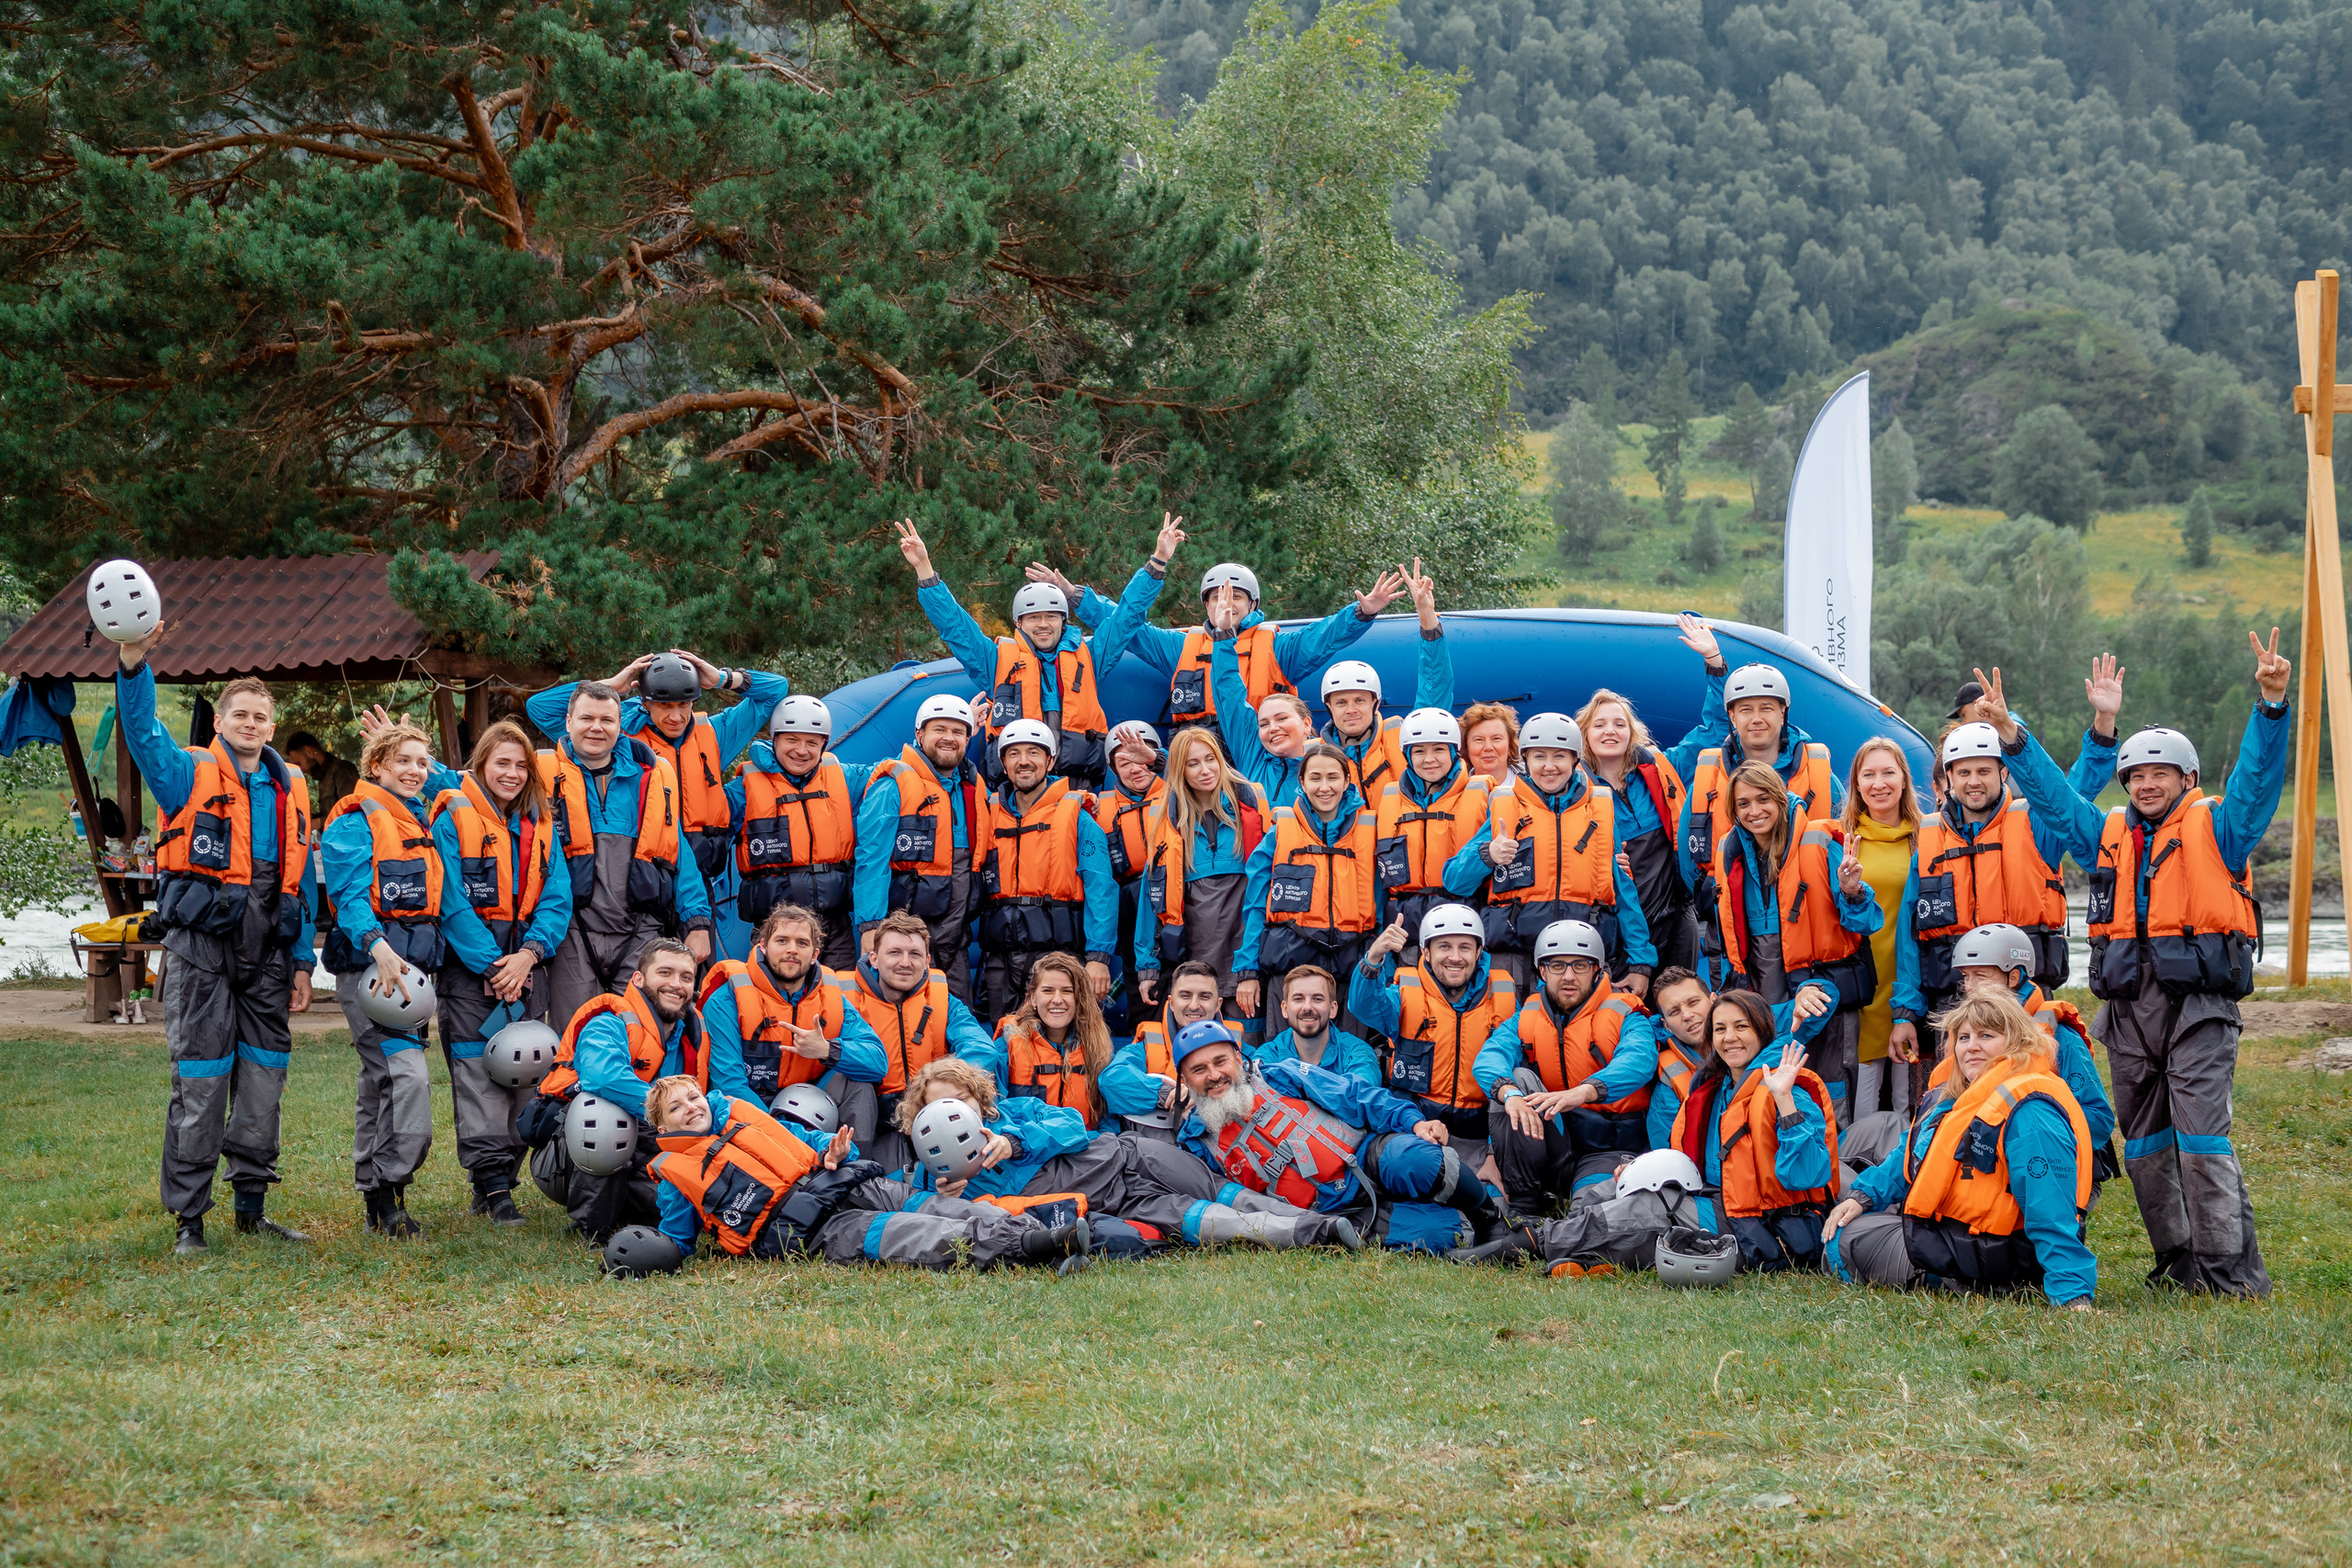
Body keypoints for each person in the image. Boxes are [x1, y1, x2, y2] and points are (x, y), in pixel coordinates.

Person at [1988, 637, 2293, 1298]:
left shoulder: (2223, 827)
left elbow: (2258, 780)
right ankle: (2178, 1262)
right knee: (2148, 1145)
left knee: (2203, 1141)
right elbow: (2050, 799)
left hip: (2200, 1007)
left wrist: (2271, 706)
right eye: (2137, 776)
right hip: (2128, 1009)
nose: (2148, 783)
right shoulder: (2104, 833)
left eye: (2162, 774)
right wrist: (2013, 736)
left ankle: (2229, 1274)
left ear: (2187, 779)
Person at [115, 625, 318, 1255]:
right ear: (221, 721)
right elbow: (144, 734)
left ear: (271, 724)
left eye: (262, 716)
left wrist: (304, 960)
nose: (253, 723)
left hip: (270, 954)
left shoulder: (291, 789)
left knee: (263, 1082)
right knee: (201, 1084)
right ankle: (189, 1220)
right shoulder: (186, 774)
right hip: (201, 950)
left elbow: (302, 880)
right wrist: (132, 663)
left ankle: (251, 1208)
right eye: (242, 714)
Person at [894, 1058, 1361, 1250]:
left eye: (960, 1098)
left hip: (1130, 1156)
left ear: (978, 1098)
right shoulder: (934, 1168)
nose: (953, 1111)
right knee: (1206, 1221)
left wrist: (1015, 1142)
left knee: (1222, 1191)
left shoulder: (1015, 1113)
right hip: (1116, 1203)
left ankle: (1335, 1215)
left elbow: (1073, 1126)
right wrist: (947, 1193)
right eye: (938, 1103)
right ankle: (1319, 1233)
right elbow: (912, 1198)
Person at [643, 1074, 1089, 1271]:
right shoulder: (675, 1174)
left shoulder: (740, 1114)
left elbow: (807, 1143)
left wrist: (834, 1150)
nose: (691, 1108)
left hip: (840, 1181)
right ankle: (1031, 1244)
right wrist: (650, 1253)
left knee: (935, 1205)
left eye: (693, 1097)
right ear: (663, 1127)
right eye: (677, 1108)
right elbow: (678, 1238)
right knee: (913, 1232)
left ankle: (1041, 1236)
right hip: (811, 1227)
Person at [1822, 988, 2098, 1307]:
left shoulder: (2030, 1113)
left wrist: (2072, 1297)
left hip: (1996, 1258)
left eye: (1986, 1035)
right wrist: (1863, 1197)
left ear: (2018, 1042)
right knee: (1857, 1209)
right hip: (1961, 1236)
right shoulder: (1961, 1094)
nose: (1972, 1047)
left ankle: (1956, 1282)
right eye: (1964, 1037)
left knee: (1841, 1241)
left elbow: (2051, 1211)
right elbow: (1911, 1157)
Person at [528, 649, 788, 951]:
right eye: (664, 705)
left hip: (697, 887)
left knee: (695, 983)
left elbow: (775, 691)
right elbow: (540, 709)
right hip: (638, 887)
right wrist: (610, 687)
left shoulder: (715, 734)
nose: (676, 716)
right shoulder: (619, 732)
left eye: (684, 704)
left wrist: (720, 678)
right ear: (646, 702)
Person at [895, 513, 1177, 786]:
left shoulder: (1090, 657)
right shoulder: (995, 662)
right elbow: (955, 626)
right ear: (1019, 622)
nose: (1043, 624)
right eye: (1034, 618)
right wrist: (925, 570)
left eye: (1051, 616)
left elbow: (1126, 617)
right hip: (1017, 792)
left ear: (1063, 620)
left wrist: (1158, 561)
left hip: (1078, 790)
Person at [428, 717, 575, 1225]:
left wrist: (528, 955)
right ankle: (492, 1187)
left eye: (520, 765)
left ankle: (504, 1177)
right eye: (502, 763)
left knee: (526, 1074)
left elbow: (557, 898)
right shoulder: (451, 817)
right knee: (477, 1077)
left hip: (527, 968)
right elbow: (448, 901)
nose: (511, 773)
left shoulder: (541, 823)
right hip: (472, 973)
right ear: (482, 764)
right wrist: (492, 965)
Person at [1173, 1021, 1509, 1242]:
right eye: (1199, 1070)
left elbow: (1356, 1096)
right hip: (1331, 1211)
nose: (1214, 1075)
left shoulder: (1280, 1074)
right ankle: (1471, 1220)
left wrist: (1415, 1122)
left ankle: (1491, 1217)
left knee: (1418, 1159)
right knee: (1439, 1235)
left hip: (1364, 1158)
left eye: (1220, 1061)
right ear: (1185, 1080)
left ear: (1236, 1055)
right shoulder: (1195, 1143)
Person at [1030, 542, 1406, 729]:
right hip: (1198, 749)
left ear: (1252, 603)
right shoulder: (1182, 647)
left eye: (1236, 596)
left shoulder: (1277, 646)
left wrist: (1363, 611)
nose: (1226, 603)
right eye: (1216, 598)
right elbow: (1126, 625)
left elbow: (1325, 636)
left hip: (1252, 747)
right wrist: (1075, 596)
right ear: (1205, 606)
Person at [319, 718, 448, 1240]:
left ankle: (377, 1195)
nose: (416, 771)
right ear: (376, 767)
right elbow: (348, 895)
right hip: (372, 973)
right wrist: (379, 948)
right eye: (404, 761)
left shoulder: (420, 820)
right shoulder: (354, 819)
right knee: (407, 1077)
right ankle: (390, 1184)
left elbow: (463, 784)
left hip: (411, 976)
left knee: (380, 1082)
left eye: (423, 763)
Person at [1709, 761, 1883, 1122]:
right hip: (1766, 1000)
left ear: (1779, 798)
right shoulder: (1730, 852)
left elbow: (1867, 923)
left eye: (1763, 799)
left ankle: (1840, 1168)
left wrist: (1852, 891)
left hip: (1825, 995)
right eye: (1743, 804)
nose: (1754, 811)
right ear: (1733, 810)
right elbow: (1722, 936)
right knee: (1773, 1093)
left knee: (1831, 1089)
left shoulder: (1819, 841)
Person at [533, 680, 714, 1028]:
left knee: (642, 1034)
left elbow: (678, 855)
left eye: (607, 720)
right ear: (568, 722)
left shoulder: (652, 777)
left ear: (621, 725)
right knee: (574, 1034)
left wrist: (697, 922)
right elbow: (471, 783)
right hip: (574, 931)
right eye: (587, 718)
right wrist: (397, 757)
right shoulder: (539, 774)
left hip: (640, 931)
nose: (597, 728)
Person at [1444, 712, 1653, 993]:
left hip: (1582, 957)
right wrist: (1488, 855)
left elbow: (1623, 892)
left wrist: (1641, 964)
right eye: (1539, 756)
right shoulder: (1504, 808)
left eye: (1559, 757)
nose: (1549, 767)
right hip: (1516, 958)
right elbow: (1454, 879)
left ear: (1575, 761)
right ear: (1526, 761)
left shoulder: (1600, 811)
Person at [1575, 614, 1732, 973]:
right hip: (1619, 923)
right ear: (1585, 735)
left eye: (1619, 724)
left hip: (1676, 917)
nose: (1609, 731)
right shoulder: (1574, 792)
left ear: (1632, 732)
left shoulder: (1663, 770)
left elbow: (1716, 730)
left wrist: (1715, 663)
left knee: (1681, 1010)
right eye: (1599, 725)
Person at [527, 938, 707, 1242]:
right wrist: (671, 1109)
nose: (676, 984)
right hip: (569, 1154)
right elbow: (602, 1077)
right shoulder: (608, 1022)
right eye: (664, 973)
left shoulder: (694, 1031)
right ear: (638, 979)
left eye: (686, 977)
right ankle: (593, 1227)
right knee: (605, 1112)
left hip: (649, 1144)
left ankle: (635, 1209)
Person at [1477, 920, 1661, 1213]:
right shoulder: (1528, 1014)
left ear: (1597, 970)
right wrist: (1509, 1093)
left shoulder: (1625, 1012)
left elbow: (1639, 1061)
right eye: (1557, 966)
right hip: (1553, 1141)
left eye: (1580, 966)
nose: (1568, 976)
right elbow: (1489, 1057)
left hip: (1608, 1148)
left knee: (1588, 1213)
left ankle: (1569, 1200)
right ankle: (1526, 1208)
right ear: (1542, 970)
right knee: (1516, 1079)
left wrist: (1583, 1092)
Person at [1680, 660, 1841, 984]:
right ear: (1731, 718)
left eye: (1767, 708)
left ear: (1783, 713)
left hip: (1807, 922)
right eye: (1745, 710)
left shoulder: (1818, 775)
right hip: (1732, 927)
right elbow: (1688, 859)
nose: (1756, 718)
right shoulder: (1707, 780)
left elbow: (1844, 837)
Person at [1668, 990, 1839, 1271]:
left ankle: (1570, 1252)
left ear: (1762, 1032)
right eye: (1720, 1029)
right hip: (1722, 1208)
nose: (1729, 1037)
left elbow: (1808, 1175)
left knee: (1645, 1212)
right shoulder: (1715, 1089)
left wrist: (1784, 1100)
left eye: (1741, 1026)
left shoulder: (1790, 1091)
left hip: (1770, 1230)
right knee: (1612, 1193)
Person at [1348, 904, 1519, 1174]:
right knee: (1404, 1167)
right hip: (1417, 1123)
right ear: (1426, 952)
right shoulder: (1405, 994)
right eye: (1444, 947)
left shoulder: (1504, 998)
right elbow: (1363, 1005)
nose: (1455, 957)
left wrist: (1491, 1150)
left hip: (1481, 1130)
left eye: (1465, 947)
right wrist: (1374, 957)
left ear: (1478, 952)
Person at [974, 718, 1117, 1022]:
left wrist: (1099, 958)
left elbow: (1101, 890)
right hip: (1001, 959)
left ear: (1050, 760)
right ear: (1003, 762)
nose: (1023, 761)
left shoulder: (1078, 820)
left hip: (1058, 958)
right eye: (1013, 754)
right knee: (1006, 1042)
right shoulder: (987, 816)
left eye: (1033, 753)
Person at [697, 905, 888, 1122]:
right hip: (751, 1115)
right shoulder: (726, 1001)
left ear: (815, 954)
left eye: (802, 943)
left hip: (812, 1108)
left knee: (859, 1083)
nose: (792, 950)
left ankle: (857, 1156)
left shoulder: (832, 999)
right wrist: (785, 1135)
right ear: (763, 947)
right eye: (782, 940)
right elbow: (730, 1086)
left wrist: (826, 1050)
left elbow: (877, 1062)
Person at [854, 693, 984, 998]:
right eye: (939, 729)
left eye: (957, 732)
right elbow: (872, 859)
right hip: (905, 945)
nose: (948, 738)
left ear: (968, 738)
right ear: (919, 734)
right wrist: (870, 927)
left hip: (955, 942)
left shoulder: (972, 790)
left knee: (955, 1023)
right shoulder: (892, 786)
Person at [1133, 728, 1271, 1016]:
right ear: (1180, 771)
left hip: (1250, 959)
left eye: (1211, 759)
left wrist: (1250, 966)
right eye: (1193, 764)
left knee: (1248, 1047)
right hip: (1194, 962)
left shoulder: (1252, 807)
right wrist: (1147, 966)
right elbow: (1151, 898)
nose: (1205, 770)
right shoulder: (1167, 824)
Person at [1946, 923, 2118, 1154]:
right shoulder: (1967, 1040)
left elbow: (2097, 1118)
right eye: (1966, 976)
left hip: (2052, 1163)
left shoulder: (2059, 1037)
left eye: (1980, 976)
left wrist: (2029, 1134)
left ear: (2013, 976)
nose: (1970, 987)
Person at [842, 911, 995, 1169]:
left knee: (979, 1073)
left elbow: (982, 1049)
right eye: (894, 953)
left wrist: (941, 1083)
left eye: (914, 954)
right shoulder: (845, 999)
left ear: (926, 961)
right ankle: (854, 1170)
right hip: (872, 1116)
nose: (905, 962)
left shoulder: (941, 1000)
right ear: (874, 959)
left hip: (931, 1110)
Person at [730, 695, 873, 970]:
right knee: (775, 999)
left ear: (824, 744)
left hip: (834, 926)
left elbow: (899, 771)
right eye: (792, 740)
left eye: (812, 742)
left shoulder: (844, 778)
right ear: (774, 740)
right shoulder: (743, 789)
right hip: (775, 927)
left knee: (840, 998)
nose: (801, 751)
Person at [1295, 559, 1449, 796]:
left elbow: (1434, 686)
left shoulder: (1402, 740)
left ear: (1375, 703)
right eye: (1341, 702)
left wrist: (1427, 616)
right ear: (1329, 707)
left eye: (1359, 700)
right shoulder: (1312, 757)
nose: (1351, 710)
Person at [1244, 742, 1378, 1007]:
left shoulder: (1370, 833)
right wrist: (1247, 971)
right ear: (1302, 782)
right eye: (1315, 778)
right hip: (1289, 971)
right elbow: (1256, 907)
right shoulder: (1279, 834)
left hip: (1352, 973)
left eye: (1333, 777)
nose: (1324, 787)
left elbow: (1381, 907)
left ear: (1347, 781)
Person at [970, 952, 1163, 1132]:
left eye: (1067, 991)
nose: (1057, 999)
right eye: (1047, 990)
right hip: (1028, 1153)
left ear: (1079, 999)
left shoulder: (1098, 1047)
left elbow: (1108, 1122)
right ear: (1033, 998)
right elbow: (993, 1114)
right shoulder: (1009, 1044)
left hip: (1086, 1151)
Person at [1840, 737, 1926, 1117]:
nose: (1879, 783)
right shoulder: (1839, 839)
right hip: (1862, 985)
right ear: (1856, 784)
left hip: (1912, 979)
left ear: (1904, 780)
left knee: (1910, 1094)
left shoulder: (1927, 836)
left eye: (1888, 772)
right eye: (1869, 774)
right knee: (1863, 1097)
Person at [1370, 709, 1492, 962]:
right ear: (1407, 755)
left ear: (1453, 752)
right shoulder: (1389, 801)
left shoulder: (1484, 796)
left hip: (1461, 930)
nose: (1429, 759)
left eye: (1438, 749)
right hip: (1403, 935)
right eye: (1419, 751)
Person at [1091, 719, 1165, 1033]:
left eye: (1141, 759)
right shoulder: (1097, 810)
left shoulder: (1181, 794)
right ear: (1113, 769)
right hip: (1130, 915)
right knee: (1140, 998)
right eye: (1124, 763)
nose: (1135, 769)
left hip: (1177, 907)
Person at [1253, 965, 1383, 1087]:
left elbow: (1361, 1094)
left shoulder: (1357, 1052)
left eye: (1317, 999)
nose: (1307, 1007)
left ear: (1333, 1009)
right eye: (1298, 999)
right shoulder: (1269, 1054)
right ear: (1285, 1009)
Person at [1644, 966, 1713, 1151]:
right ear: (1666, 1026)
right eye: (1674, 1011)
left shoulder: (1754, 1029)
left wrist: (1802, 990)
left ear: (1714, 1000)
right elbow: (1666, 1156)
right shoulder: (1668, 1087)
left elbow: (1793, 1014)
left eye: (1693, 1002)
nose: (1687, 1015)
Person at [281, 730, 359, 818]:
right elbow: (329, 812)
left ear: (309, 752)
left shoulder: (342, 770)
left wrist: (318, 823)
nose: (301, 769)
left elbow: (351, 811)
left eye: (299, 763)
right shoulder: (323, 776)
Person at [1461, 703, 1519, 787]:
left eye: (1496, 739)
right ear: (1466, 747)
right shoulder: (1453, 791)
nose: (1488, 747)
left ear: (1510, 745)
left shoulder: (1533, 789)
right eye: (1479, 740)